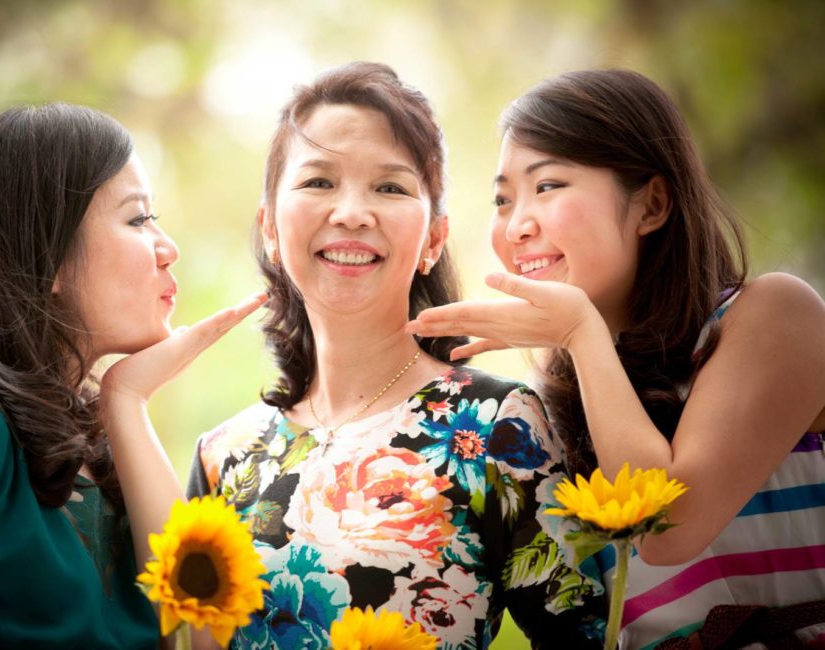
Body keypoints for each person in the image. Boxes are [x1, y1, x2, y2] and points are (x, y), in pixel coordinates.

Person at [186, 62, 605, 649]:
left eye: (390, 187)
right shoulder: (225, 457)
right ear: (271, 231)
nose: (352, 212)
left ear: (434, 238)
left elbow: (585, 636)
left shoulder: (499, 423)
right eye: (318, 182)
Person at [406, 68, 825, 648]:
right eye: (503, 199)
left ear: (651, 205)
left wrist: (580, 332)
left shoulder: (775, 315)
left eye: (548, 186)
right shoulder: (555, 396)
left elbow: (665, 527)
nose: (517, 224)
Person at [0, 103, 264, 648]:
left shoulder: (109, 443)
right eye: (138, 219)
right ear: (49, 256)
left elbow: (198, 631)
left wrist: (127, 400)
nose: (169, 248)